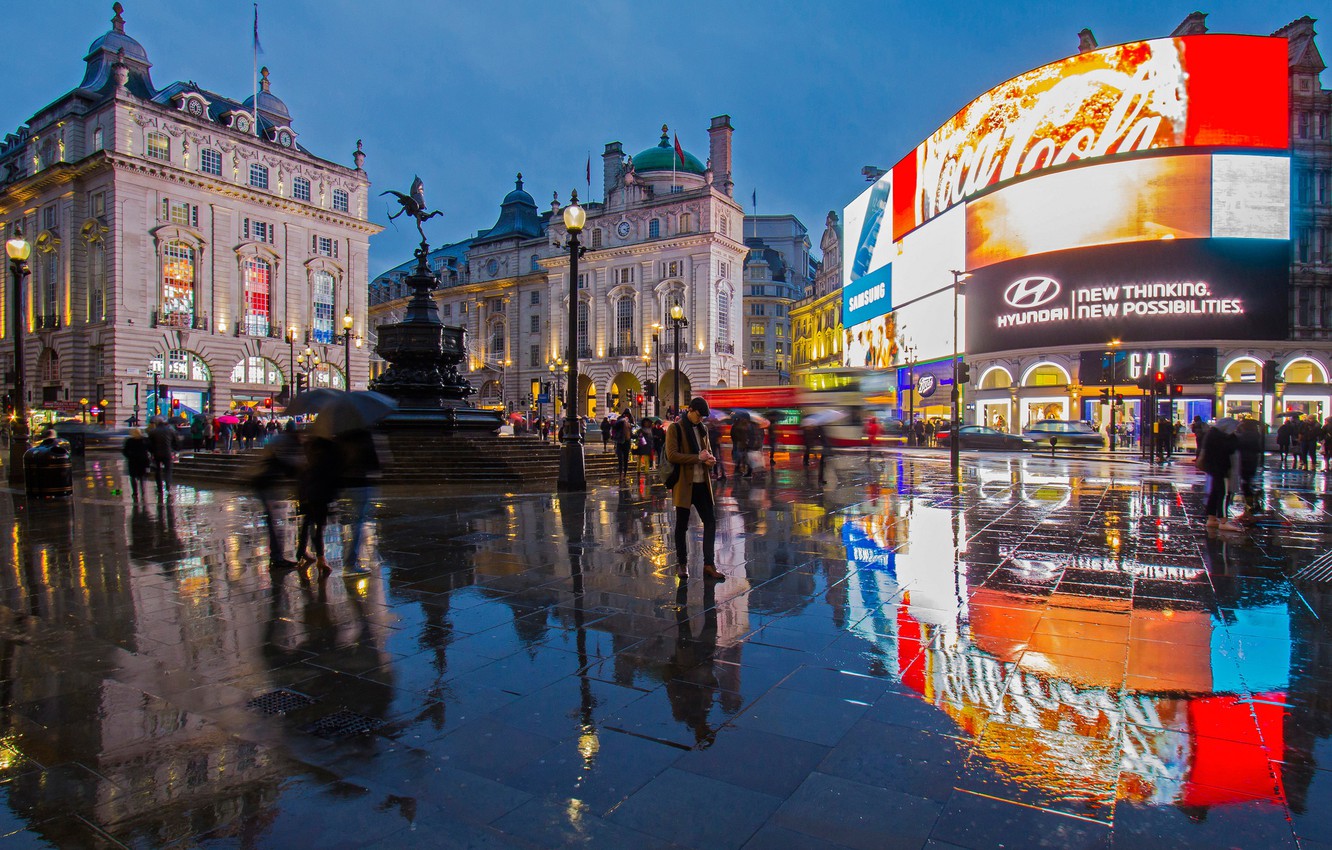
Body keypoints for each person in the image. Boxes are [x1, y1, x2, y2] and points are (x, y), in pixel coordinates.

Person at [666, 397, 722, 582]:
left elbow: (707, 451)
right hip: (684, 483)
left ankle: (709, 564)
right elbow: (672, 455)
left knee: (711, 522)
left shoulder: (703, 429)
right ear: (689, 410)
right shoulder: (676, 428)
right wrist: (698, 458)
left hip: (702, 483)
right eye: (698, 415)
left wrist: (710, 460)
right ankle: (682, 564)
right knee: (681, 525)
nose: (700, 419)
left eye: (703, 417)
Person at [249, 423, 301, 570]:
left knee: (274, 522)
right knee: (276, 524)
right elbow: (288, 465)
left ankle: (277, 556)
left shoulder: (279, 440)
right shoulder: (286, 442)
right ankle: (277, 558)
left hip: (265, 483)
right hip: (268, 485)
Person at [337, 428, 383, 573]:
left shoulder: (344, 436)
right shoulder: (365, 437)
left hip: (347, 483)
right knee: (358, 522)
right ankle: (351, 561)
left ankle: (350, 557)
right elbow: (374, 463)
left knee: (353, 522)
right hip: (361, 483)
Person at [295, 434, 340, 576]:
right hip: (319, 491)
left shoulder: (310, 447)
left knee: (309, 521)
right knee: (318, 525)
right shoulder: (327, 450)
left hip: (309, 490)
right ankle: (320, 558)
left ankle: (302, 551)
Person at [1199, 417, 1241, 531]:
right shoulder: (1224, 437)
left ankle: (1211, 518)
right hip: (1222, 469)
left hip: (1213, 468)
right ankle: (1223, 520)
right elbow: (1230, 450)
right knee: (1224, 494)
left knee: (1214, 492)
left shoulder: (1211, 435)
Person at [1235, 418, 1263, 523]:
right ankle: (1252, 501)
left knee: (1245, 485)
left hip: (1246, 462)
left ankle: (1251, 504)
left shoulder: (1247, 435)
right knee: (1246, 484)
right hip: (1250, 461)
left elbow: (1238, 443)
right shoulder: (1255, 435)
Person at [147, 417, 178, 500]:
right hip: (167, 453)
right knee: (168, 470)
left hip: (156, 453)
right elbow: (175, 441)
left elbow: (149, 444)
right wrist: (173, 450)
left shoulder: (153, 431)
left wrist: (152, 452)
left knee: (157, 471)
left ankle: (160, 488)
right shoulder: (170, 430)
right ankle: (168, 486)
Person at [120, 427, 151, 501]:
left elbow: (125, 451)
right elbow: (149, 449)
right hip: (143, 460)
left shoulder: (129, 441)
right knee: (142, 477)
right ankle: (143, 491)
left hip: (133, 460)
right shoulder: (144, 440)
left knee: (133, 477)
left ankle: (135, 492)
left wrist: (129, 456)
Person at [614, 410, 633, 480]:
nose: (627, 416)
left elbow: (633, 431)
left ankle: (624, 474)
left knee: (625, 459)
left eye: (628, 415)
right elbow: (615, 426)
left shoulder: (630, 420)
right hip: (620, 441)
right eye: (626, 414)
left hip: (627, 442)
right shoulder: (620, 420)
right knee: (620, 459)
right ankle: (620, 474)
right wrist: (622, 420)